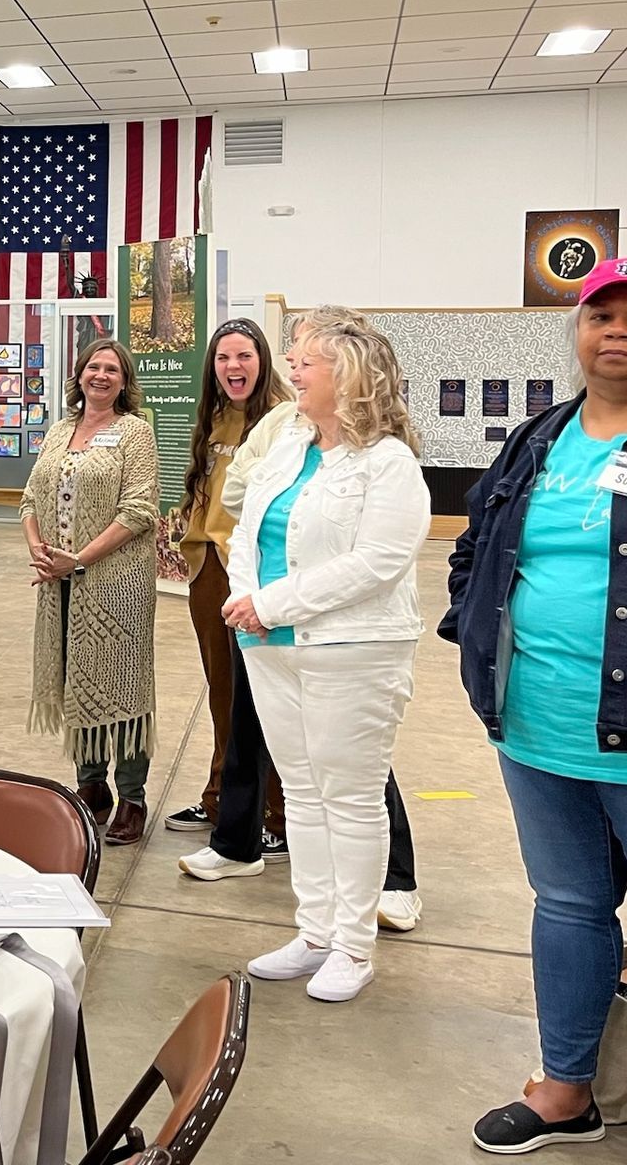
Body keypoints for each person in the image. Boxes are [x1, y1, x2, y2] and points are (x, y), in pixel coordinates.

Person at [444, 258, 627, 1159]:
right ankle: (567, 1088)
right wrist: (472, 629)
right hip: (537, 727)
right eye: (600, 315)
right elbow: (480, 544)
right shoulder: (540, 436)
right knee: (570, 905)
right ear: (578, 333)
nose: (617, 331)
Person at [184, 308, 425, 931]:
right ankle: (316, 932)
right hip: (270, 647)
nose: (293, 367)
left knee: (351, 796)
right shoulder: (288, 440)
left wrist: (269, 605)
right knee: (305, 794)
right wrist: (248, 601)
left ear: (346, 373)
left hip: (347, 651)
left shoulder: (389, 462)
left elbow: (379, 562)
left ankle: (353, 942)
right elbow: (246, 526)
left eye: (304, 358)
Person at [21, 338, 160, 846]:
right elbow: (30, 498)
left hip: (116, 585)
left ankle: (132, 796)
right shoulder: (60, 431)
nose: (101, 375)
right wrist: (41, 550)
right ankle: (91, 787)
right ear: (79, 375)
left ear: (125, 382)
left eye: (113, 369)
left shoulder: (135, 433)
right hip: (57, 585)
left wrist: (78, 558)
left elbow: (140, 510)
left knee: (123, 685)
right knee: (74, 681)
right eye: (93, 367)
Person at [168, 320, 293, 857]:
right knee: (223, 692)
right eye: (222, 358)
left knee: (263, 697)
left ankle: (279, 813)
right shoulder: (213, 417)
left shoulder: (283, 419)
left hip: (255, 571)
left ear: (262, 360)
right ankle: (223, 798)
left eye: (243, 356)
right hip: (209, 571)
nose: (232, 367)